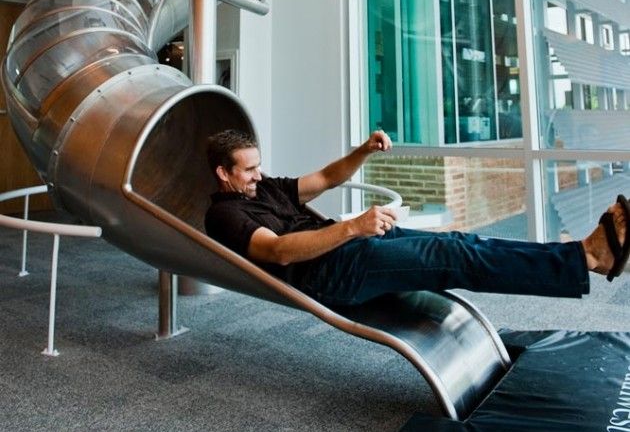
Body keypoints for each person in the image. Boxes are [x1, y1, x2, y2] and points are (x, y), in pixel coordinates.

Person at [204, 128, 630, 309]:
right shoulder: (225, 214)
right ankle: (588, 257)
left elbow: (329, 177)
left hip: (348, 248)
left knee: (462, 243)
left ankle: (585, 256)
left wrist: (363, 150)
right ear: (224, 173)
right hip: (328, 275)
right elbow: (277, 252)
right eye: (248, 169)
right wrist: (351, 226)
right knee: (450, 255)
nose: (258, 174)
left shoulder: (266, 187)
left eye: (259, 165)